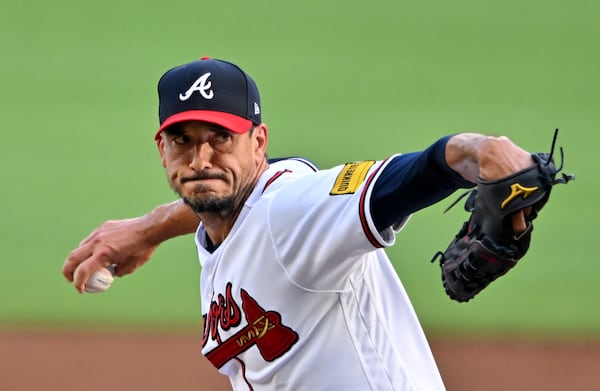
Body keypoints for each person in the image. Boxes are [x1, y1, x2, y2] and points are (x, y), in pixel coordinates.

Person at [62, 57, 535, 390]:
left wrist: (480, 153)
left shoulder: (295, 212)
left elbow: (408, 176)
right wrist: (150, 228)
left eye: (221, 138)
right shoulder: (232, 216)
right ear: (161, 149)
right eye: (182, 140)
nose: (201, 158)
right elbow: (225, 195)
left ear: (258, 141)